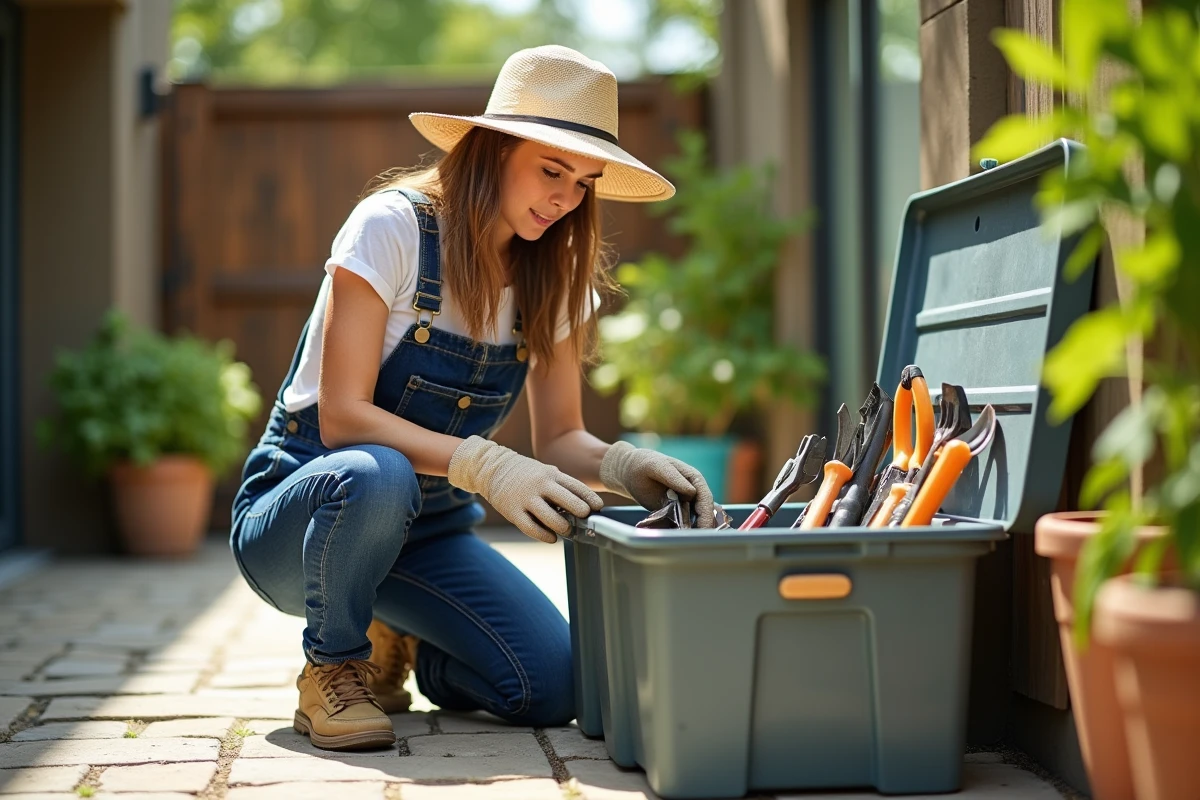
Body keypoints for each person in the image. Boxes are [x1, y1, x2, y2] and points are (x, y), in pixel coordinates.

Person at [228, 44, 716, 752]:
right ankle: (334, 666)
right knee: (378, 470)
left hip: (428, 535)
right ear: (491, 148)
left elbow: (558, 441)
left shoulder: (554, 279)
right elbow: (342, 420)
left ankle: (408, 636)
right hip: (303, 521)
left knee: (551, 687)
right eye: (551, 169)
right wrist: (487, 466)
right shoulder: (391, 228)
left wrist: (624, 466)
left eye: (583, 181)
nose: (563, 198)